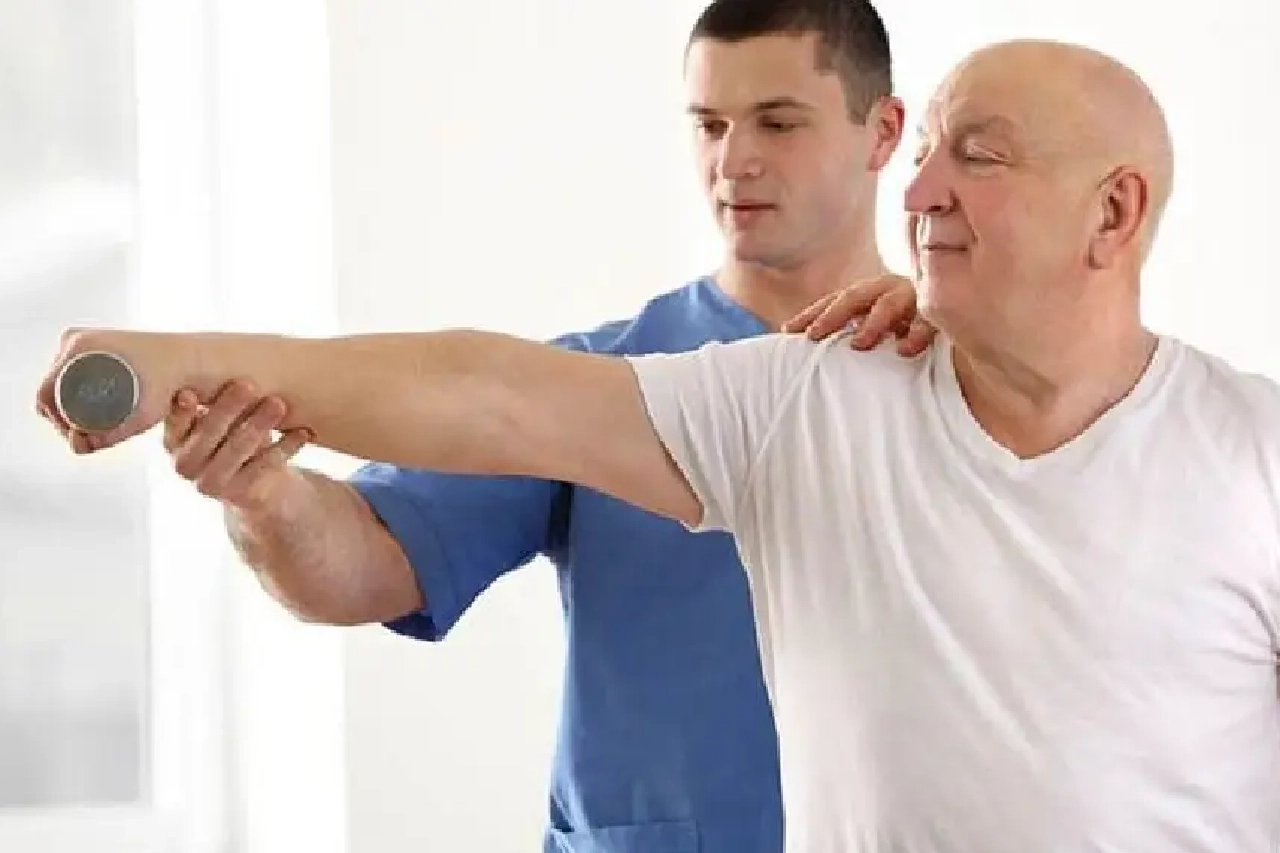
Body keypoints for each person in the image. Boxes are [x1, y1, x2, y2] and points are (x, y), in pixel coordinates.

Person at [39, 36, 1280, 852]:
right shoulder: (795, 399)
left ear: (1110, 212)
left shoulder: (1248, 452)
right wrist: (184, 370)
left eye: (978, 157)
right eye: (707, 123)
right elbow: (487, 399)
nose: (919, 195)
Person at [95, 2, 929, 852]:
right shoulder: (602, 384)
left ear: (882, 131)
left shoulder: (956, 372)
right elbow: (363, 566)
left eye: (777, 123)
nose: (733, 160)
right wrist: (264, 493)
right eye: (709, 124)